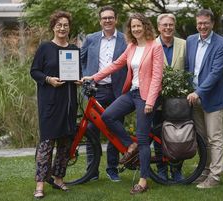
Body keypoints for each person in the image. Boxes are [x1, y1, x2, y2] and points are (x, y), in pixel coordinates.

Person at [81, 13, 164, 194]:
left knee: (143, 138)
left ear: (145, 26)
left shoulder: (155, 47)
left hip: (146, 96)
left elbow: (157, 76)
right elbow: (115, 65)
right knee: (108, 116)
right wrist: (93, 78)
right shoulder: (132, 46)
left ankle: (143, 181)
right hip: (132, 93)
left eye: (138, 26)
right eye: (133, 27)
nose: (136, 29)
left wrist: (150, 101)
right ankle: (129, 144)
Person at [30, 11, 77, 199]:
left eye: (66, 25)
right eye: (59, 25)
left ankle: (58, 179)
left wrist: (78, 80)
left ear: (69, 28)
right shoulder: (45, 48)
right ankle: (40, 185)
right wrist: (48, 79)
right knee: (46, 145)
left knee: (65, 145)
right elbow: (34, 71)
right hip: (49, 103)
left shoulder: (74, 49)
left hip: (68, 103)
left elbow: (74, 74)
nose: (62, 28)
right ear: (53, 27)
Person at [80, 5, 127, 182]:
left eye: (110, 17)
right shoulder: (91, 39)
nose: (107, 20)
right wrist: (84, 77)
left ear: (116, 19)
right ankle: (92, 171)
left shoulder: (125, 40)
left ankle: (112, 169)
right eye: (104, 18)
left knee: (114, 130)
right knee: (91, 130)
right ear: (100, 21)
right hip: (96, 91)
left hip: (117, 92)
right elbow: (80, 59)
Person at [185, 9, 223, 189]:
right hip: (194, 98)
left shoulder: (221, 44)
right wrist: (189, 90)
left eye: (206, 23)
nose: (202, 26)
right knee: (202, 139)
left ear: (212, 24)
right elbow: (188, 67)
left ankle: (215, 176)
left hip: (213, 99)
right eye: (199, 23)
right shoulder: (190, 40)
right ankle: (204, 171)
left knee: (214, 138)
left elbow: (215, 73)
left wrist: (198, 92)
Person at [154, 13, 186, 182]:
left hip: (178, 101)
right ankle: (161, 169)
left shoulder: (184, 44)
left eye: (170, 25)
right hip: (157, 100)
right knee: (158, 135)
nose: (167, 28)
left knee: (177, 137)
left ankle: (176, 170)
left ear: (174, 26)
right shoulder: (151, 45)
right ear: (158, 27)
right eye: (164, 25)